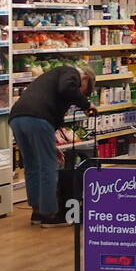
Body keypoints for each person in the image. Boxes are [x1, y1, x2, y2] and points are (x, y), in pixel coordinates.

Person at [9, 64, 96, 226]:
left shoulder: (52, 79)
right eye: (84, 90)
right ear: (84, 78)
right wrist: (86, 104)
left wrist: (52, 145)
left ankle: (36, 212)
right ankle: (49, 215)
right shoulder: (70, 73)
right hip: (37, 119)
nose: (80, 93)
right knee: (48, 166)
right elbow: (66, 88)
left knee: (32, 165)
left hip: (17, 119)